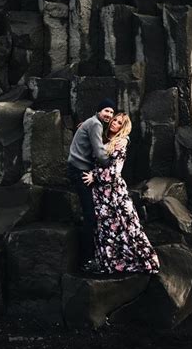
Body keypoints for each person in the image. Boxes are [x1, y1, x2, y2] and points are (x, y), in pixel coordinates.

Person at [82, 112, 160, 275]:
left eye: (119, 122)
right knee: (107, 229)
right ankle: (111, 263)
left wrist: (94, 176)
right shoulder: (104, 139)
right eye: (114, 120)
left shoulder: (121, 142)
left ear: (123, 128)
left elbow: (114, 171)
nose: (114, 123)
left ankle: (143, 260)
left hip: (114, 193)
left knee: (127, 225)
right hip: (101, 194)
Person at [67, 98, 127, 272]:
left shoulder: (92, 122)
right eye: (106, 111)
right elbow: (100, 155)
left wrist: (124, 139)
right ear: (99, 111)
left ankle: (90, 256)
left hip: (79, 169)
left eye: (111, 112)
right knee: (91, 216)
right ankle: (87, 259)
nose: (109, 115)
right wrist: (112, 161)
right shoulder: (95, 124)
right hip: (81, 172)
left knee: (91, 214)